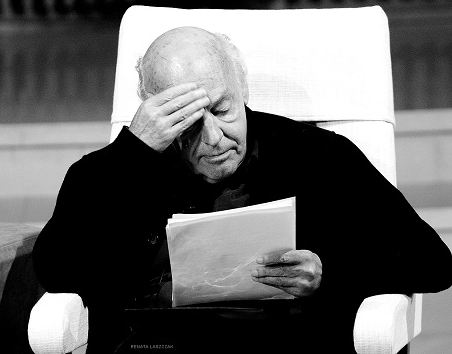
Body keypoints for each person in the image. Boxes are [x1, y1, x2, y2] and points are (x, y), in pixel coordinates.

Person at [33, 26, 452, 353]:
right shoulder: (113, 172)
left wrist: (330, 272)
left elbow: (432, 261)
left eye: (222, 109)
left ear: (243, 88)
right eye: (186, 123)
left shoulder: (317, 155)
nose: (214, 138)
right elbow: (56, 270)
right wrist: (131, 153)